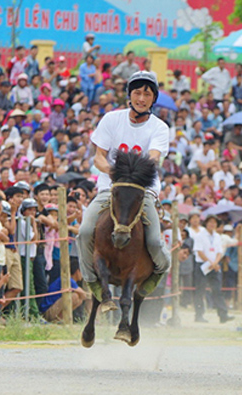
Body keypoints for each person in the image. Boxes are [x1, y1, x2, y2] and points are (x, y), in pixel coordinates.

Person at [77, 70, 171, 298]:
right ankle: (92, 281)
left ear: (153, 98)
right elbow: (99, 156)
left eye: (147, 94)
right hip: (110, 188)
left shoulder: (160, 128)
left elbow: (153, 157)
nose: (141, 98)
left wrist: (132, 177)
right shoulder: (111, 119)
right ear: (129, 95)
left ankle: (160, 269)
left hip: (143, 191)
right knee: (84, 231)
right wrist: (116, 174)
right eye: (137, 93)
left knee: (155, 242)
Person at [193, 214, 234, 323]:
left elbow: (219, 252)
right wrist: (209, 262)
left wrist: (215, 263)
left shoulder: (217, 236)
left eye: (214, 223)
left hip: (214, 267)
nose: (212, 224)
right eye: (210, 222)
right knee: (200, 291)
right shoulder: (200, 235)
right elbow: (199, 251)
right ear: (206, 223)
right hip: (202, 266)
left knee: (217, 290)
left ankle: (223, 315)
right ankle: (199, 315)